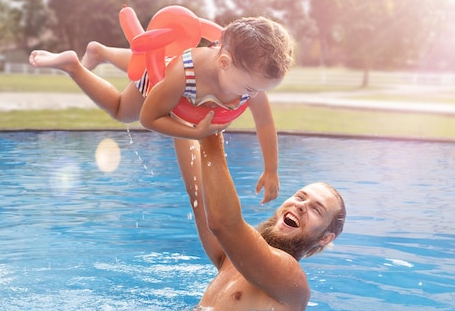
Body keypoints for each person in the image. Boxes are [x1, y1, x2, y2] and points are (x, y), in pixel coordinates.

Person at [29, 15, 294, 204]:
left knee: (141, 60)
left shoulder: (251, 82)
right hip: (161, 79)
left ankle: (101, 51)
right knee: (122, 110)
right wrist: (192, 132)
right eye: (250, 89)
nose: (254, 96)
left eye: (260, 91)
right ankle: (73, 65)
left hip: (172, 71)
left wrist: (271, 169)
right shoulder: (184, 74)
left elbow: (265, 123)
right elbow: (149, 118)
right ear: (224, 62)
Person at [174, 132, 346, 311]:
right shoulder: (233, 255)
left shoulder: (293, 281)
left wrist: (212, 130)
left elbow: (223, 223)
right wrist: (180, 120)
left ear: (325, 238)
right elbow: (199, 193)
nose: (301, 206)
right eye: (300, 197)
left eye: (317, 210)